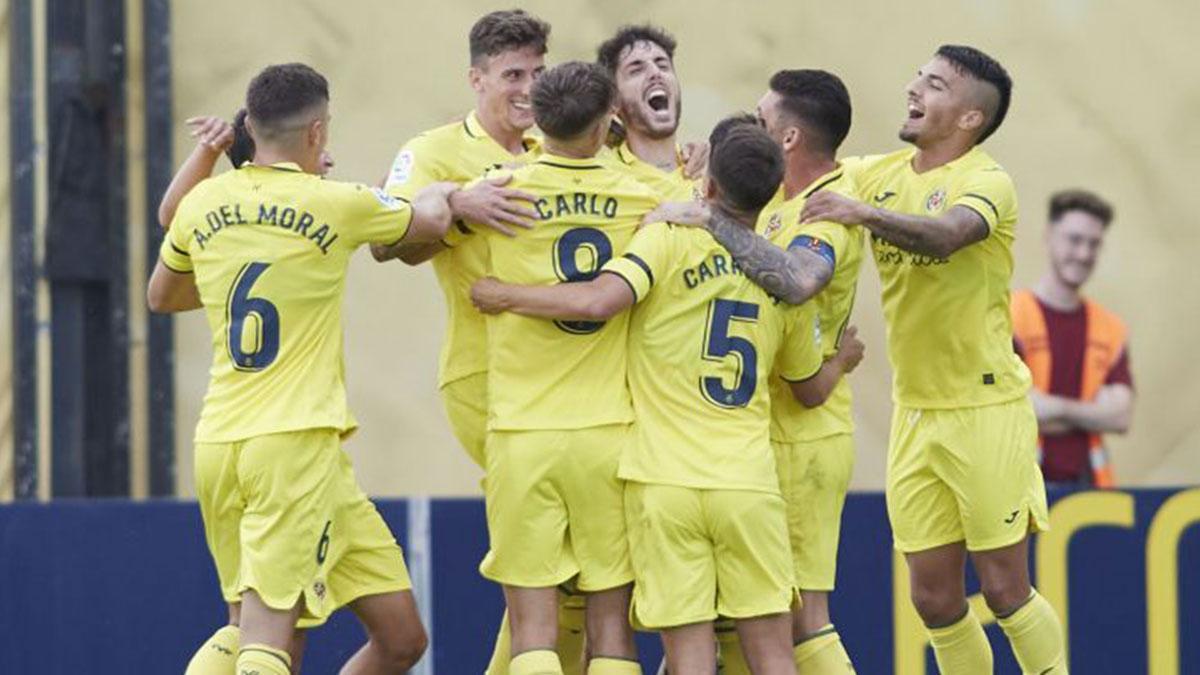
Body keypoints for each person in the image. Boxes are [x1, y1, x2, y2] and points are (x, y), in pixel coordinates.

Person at [472, 115, 864, 675]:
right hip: (747, 483)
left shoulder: (664, 239)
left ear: (705, 188)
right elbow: (808, 390)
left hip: (663, 483)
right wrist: (842, 361)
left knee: (687, 657)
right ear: (774, 193)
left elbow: (600, 299)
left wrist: (504, 294)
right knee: (774, 655)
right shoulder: (780, 280)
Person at [147, 62, 492, 675]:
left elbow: (163, 295)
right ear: (316, 133)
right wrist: (442, 188)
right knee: (264, 639)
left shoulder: (206, 205)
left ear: (249, 126)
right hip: (291, 443)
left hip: (231, 444)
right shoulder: (338, 204)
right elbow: (430, 221)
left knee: (401, 638)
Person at [799, 45, 1067, 673]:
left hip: (985, 408)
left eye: (935, 84)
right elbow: (801, 168)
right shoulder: (876, 172)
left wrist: (861, 212)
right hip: (915, 413)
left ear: (970, 117)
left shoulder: (987, 182)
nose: (913, 88)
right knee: (933, 597)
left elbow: (947, 238)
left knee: (1003, 588)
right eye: (918, 76)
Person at [467, 61, 659, 675]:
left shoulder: (497, 189)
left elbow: (415, 228)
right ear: (609, 121)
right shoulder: (649, 195)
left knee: (533, 630)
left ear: (538, 120)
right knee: (610, 627)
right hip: (609, 430)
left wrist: (454, 200)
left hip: (522, 430)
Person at [1012, 189, 1133, 489]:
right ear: (1049, 236)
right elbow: (1011, 410)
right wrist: (1092, 411)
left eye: (1094, 244)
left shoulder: (1110, 328)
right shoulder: (1008, 316)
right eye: (1075, 240)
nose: (1084, 254)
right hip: (1020, 489)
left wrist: (1052, 407)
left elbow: (1120, 417)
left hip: (1091, 492)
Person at [595, 25, 699, 202]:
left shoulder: (711, 172)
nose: (655, 73)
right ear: (613, 101)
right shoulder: (602, 178)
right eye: (636, 71)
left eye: (663, 65)